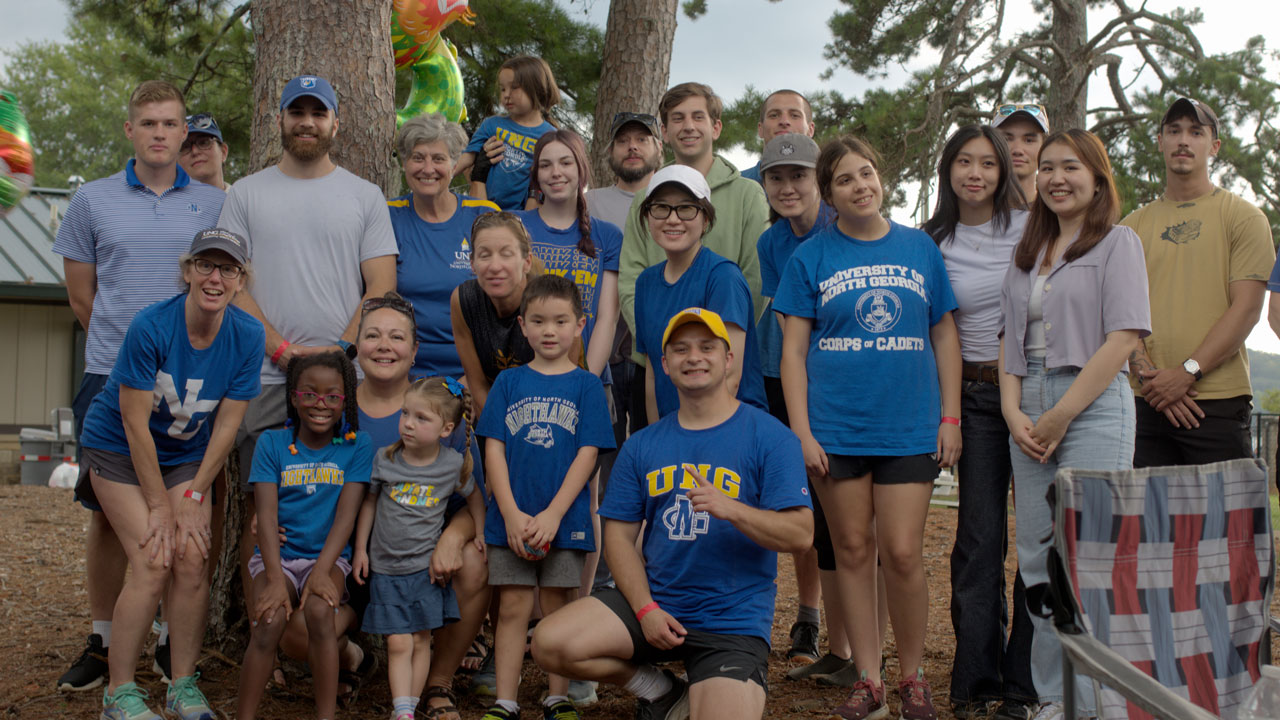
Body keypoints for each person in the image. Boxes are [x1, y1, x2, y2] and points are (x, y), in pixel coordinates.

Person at [530, 307, 813, 720]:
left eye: (706, 347)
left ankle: (710, 687)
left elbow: (801, 534)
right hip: (658, 603)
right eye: (680, 349)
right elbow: (619, 539)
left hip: (730, 620)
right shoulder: (643, 444)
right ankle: (662, 691)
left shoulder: (770, 436)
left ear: (728, 357)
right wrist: (645, 609)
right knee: (550, 643)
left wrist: (732, 509)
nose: (693, 357)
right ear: (664, 365)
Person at [775, 135, 962, 720]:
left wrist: (950, 416)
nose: (860, 185)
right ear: (829, 195)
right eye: (845, 180)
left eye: (867, 173)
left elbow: (945, 335)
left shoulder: (919, 249)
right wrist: (802, 432)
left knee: (902, 553)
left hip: (909, 427)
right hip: (836, 430)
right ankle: (868, 680)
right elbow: (793, 354)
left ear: (881, 178)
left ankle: (913, 678)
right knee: (853, 549)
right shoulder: (811, 256)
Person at [53, 79, 226, 693]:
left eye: (170, 124)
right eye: (147, 123)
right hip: (110, 373)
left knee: (181, 509)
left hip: (189, 380)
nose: (159, 133)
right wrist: (130, 353)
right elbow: (82, 296)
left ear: (184, 134)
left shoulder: (209, 204)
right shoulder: (92, 200)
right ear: (130, 130)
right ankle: (103, 641)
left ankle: (163, 644)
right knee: (106, 513)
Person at [218, 73, 396, 616]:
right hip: (268, 378)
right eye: (297, 112)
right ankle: (265, 631)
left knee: (346, 503)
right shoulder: (245, 194)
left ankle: (336, 629)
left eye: (318, 113)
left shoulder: (364, 197)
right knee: (263, 512)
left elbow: (381, 285)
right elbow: (232, 282)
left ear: (335, 123)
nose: (307, 122)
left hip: (344, 382)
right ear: (280, 121)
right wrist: (278, 348)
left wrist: (339, 353)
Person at [997, 128, 1151, 720]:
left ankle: (1099, 704)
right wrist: (1015, 412)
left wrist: (1061, 413)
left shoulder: (1118, 243)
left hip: (1092, 404)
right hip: (1027, 403)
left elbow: (1125, 337)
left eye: (1071, 167)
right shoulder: (1026, 255)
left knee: (1091, 559)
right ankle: (1053, 698)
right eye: (1047, 168)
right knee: (1038, 562)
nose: (1057, 178)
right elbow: (1010, 342)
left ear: (1097, 178)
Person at [79, 229, 260, 720]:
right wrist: (161, 506)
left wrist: (195, 496)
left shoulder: (248, 335)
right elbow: (134, 424)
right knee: (154, 557)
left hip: (183, 453)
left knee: (192, 555)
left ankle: (181, 684)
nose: (215, 277)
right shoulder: (151, 326)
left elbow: (227, 424)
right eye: (205, 265)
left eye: (227, 269)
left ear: (241, 280)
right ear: (187, 271)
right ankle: (118, 693)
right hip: (116, 447)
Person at [921, 125, 1035, 720]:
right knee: (979, 540)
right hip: (969, 396)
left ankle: (1025, 685)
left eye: (988, 163)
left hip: (1030, 393)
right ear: (948, 170)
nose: (976, 173)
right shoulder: (930, 239)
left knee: (1038, 539)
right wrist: (944, 413)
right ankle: (974, 682)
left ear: (1003, 171)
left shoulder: (1028, 227)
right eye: (963, 161)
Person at [474, 274, 616, 720]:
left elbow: (589, 453)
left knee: (558, 606)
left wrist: (554, 514)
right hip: (511, 519)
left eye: (560, 321)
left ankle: (558, 696)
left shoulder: (586, 386)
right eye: (538, 321)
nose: (549, 330)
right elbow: (492, 447)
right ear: (523, 325)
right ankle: (506, 700)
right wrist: (512, 514)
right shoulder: (509, 383)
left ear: (580, 324)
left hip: (565, 519)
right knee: (513, 606)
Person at [355, 293, 491, 720]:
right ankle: (353, 660)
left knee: (474, 561)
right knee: (301, 631)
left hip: (419, 559)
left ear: (414, 351)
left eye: (397, 337)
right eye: (372, 335)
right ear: (355, 343)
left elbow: (473, 498)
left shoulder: (440, 413)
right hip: (355, 553)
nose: (383, 345)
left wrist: (452, 537)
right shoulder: (334, 405)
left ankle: (436, 682)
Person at [1122, 98, 1274, 467]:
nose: (1183, 141)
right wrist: (1152, 380)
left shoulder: (1244, 217)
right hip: (1144, 400)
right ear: (1160, 141)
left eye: (1196, 131)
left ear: (1214, 146)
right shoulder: (1130, 227)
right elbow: (1119, 313)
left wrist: (1187, 373)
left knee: (1223, 523)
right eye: (1173, 131)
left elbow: (1248, 309)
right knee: (1145, 523)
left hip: (1218, 402)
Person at [237, 351, 375, 720]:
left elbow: (347, 516)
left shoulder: (356, 446)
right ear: (293, 397)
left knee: (318, 612)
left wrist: (320, 570)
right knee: (268, 622)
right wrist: (274, 579)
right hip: (278, 557)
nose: (320, 404)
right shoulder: (271, 444)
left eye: (332, 396)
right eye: (310, 394)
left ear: (345, 400)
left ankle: (325, 715)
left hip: (329, 558)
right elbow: (265, 516)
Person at [753, 132, 839, 672]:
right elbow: (783, 323)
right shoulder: (771, 242)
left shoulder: (841, 227)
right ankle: (807, 615)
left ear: (819, 180)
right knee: (795, 502)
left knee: (841, 518)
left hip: (832, 384)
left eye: (799, 175)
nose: (788, 187)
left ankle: (845, 642)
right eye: (776, 177)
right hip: (777, 377)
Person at [620, 82, 770, 357]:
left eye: (698, 116)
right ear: (664, 132)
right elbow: (631, 279)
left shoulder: (748, 195)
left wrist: (715, 346)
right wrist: (662, 344)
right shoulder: (644, 200)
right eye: (678, 118)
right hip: (656, 357)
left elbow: (756, 279)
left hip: (723, 357)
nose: (688, 126)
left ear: (716, 128)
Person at [634, 165, 767, 421]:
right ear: (648, 217)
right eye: (661, 207)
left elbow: (731, 375)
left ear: (705, 219)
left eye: (686, 208)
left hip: (729, 430)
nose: (672, 219)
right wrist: (659, 438)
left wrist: (695, 440)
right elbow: (653, 374)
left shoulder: (723, 277)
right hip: (675, 432)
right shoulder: (646, 283)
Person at [387, 113, 499, 379]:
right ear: (404, 163)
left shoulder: (483, 216)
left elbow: (507, 299)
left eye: (438, 158)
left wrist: (474, 381)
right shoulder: (387, 217)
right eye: (417, 157)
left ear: (454, 163)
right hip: (402, 370)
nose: (428, 169)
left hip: (475, 370)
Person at [518, 129, 622, 378]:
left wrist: (585, 381)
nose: (556, 172)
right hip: (523, 375)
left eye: (565, 163)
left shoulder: (608, 236)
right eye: (545, 165)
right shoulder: (515, 226)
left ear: (581, 169)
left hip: (588, 374)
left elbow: (607, 319)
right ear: (536, 175)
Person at [450, 212, 542, 418]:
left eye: (506, 254)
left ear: (526, 261)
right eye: (484, 255)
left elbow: (564, 384)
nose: (494, 266)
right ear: (472, 264)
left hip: (547, 408)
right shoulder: (464, 300)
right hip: (493, 410)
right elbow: (478, 385)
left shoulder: (550, 302)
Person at [455, 55, 559, 211]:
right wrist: (447, 173)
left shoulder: (551, 136)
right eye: (503, 89)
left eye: (514, 87)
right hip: (485, 206)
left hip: (524, 214)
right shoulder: (492, 124)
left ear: (536, 87)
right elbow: (470, 155)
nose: (506, 95)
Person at [740, 89, 816, 184]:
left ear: (811, 130)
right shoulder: (736, 186)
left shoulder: (829, 186)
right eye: (774, 115)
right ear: (761, 129)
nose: (784, 121)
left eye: (794, 115)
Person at [990, 103, 1049, 206]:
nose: (1017, 150)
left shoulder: (1057, 214)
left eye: (1029, 140)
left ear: (1044, 147)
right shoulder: (971, 211)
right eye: (1007, 139)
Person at [179, 113, 231, 190]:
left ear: (223, 152)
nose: (195, 151)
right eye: (185, 147)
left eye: (204, 143)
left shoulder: (247, 200)